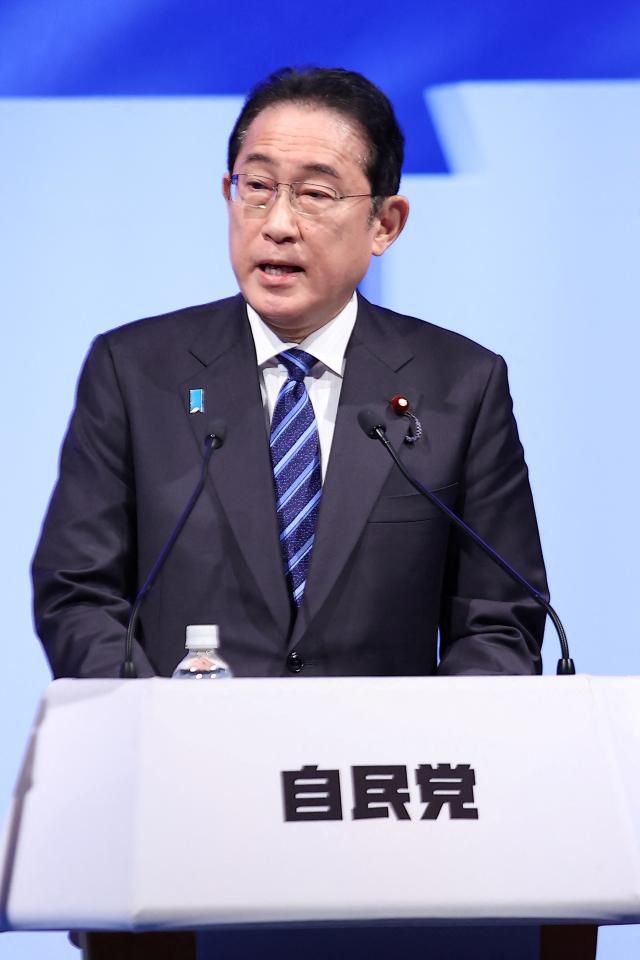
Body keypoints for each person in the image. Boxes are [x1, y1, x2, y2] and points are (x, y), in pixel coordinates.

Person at [32, 66, 547, 680]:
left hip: (379, 742)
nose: (277, 223)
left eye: (315, 194)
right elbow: (78, 594)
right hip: (183, 738)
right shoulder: (134, 372)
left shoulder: (461, 384)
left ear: (384, 224)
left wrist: (426, 727)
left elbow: (500, 621)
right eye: (257, 186)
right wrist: (154, 718)